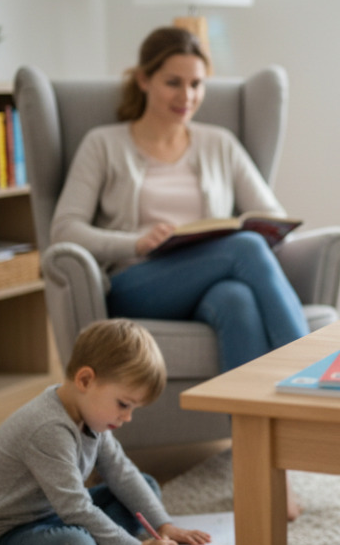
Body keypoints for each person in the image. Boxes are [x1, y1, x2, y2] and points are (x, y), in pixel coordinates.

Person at [50, 25, 309, 516]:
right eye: (173, 82)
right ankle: (310, 380)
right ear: (144, 79)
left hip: (211, 281)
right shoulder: (103, 144)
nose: (186, 96)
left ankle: (264, 477)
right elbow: (65, 228)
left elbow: (271, 215)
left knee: (238, 297)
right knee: (247, 250)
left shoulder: (219, 143)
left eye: (196, 84)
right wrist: (136, 241)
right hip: (138, 282)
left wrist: (242, 229)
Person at [0, 318, 210, 545]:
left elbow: (122, 472)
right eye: (123, 404)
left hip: (56, 514)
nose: (127, 418)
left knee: (145, 486)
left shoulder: (90, 414)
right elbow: (76, 508)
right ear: (85, 380)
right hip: (7, 537)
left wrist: (164, 524)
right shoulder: (48, 429)